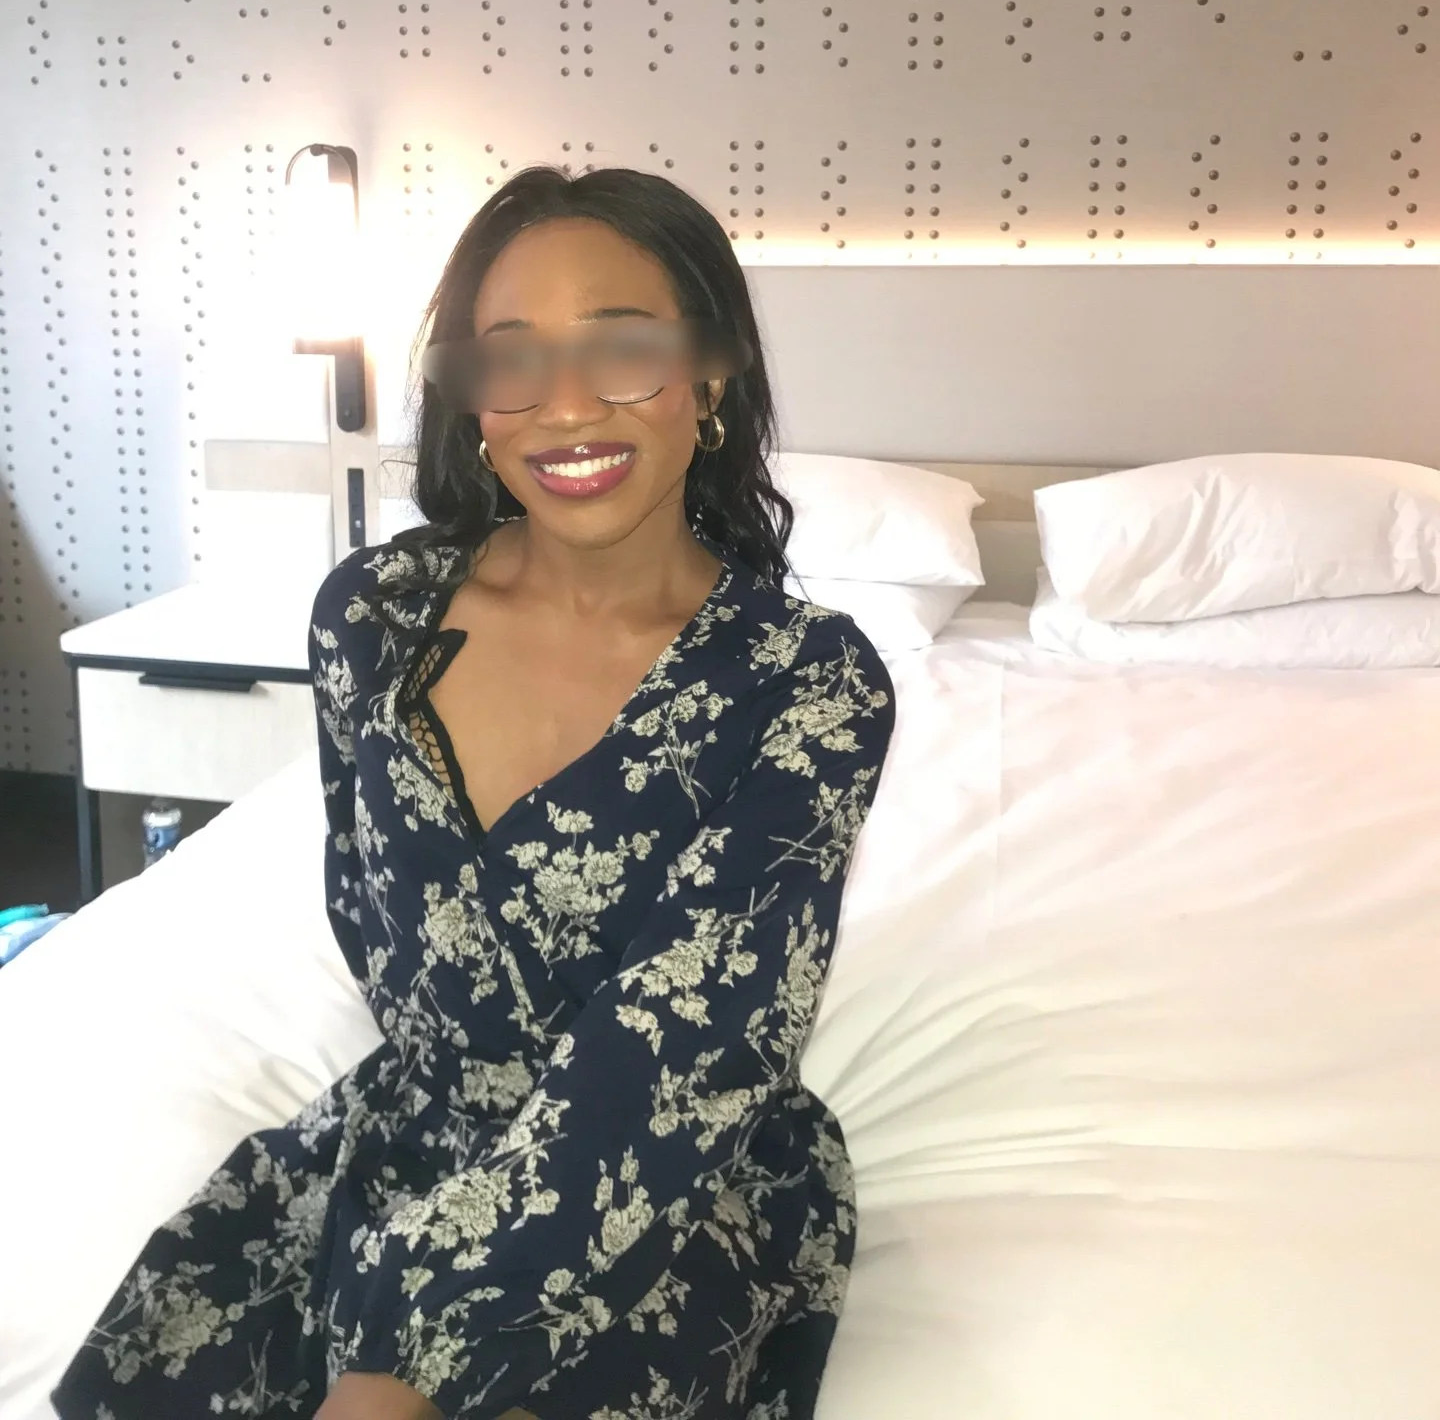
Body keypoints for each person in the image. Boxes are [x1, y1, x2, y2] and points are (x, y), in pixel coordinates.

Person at [54, 163, 896, 1420]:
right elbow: (371, 921)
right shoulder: (372, 620)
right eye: (511, 358)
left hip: (664, 1178)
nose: (563, 408)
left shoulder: (809, 684)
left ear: (711, 375)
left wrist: (400, 1356)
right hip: (413, 1134)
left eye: (621, 349)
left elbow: (686, 1049)